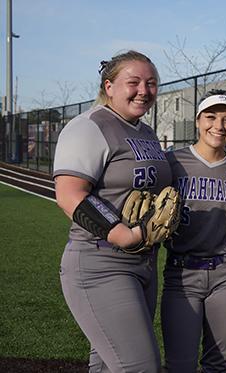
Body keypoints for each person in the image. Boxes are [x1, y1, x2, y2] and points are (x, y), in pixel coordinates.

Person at [53, 51, 169, 372]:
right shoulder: (89, 126)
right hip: (101, 263)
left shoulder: (145, 132)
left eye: (151, 83)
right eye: (133, 82)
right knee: (140, 366)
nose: (144, 90)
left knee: (106, 365)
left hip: (143, 262)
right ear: (109, 85)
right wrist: (124, 234)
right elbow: (69, 194)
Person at [161, 89, 226, 372]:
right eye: (211, 117)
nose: (218, 126)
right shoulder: (172, 162)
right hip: (181, 273)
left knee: (219, 364)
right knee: (180, 364)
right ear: (198, 120)